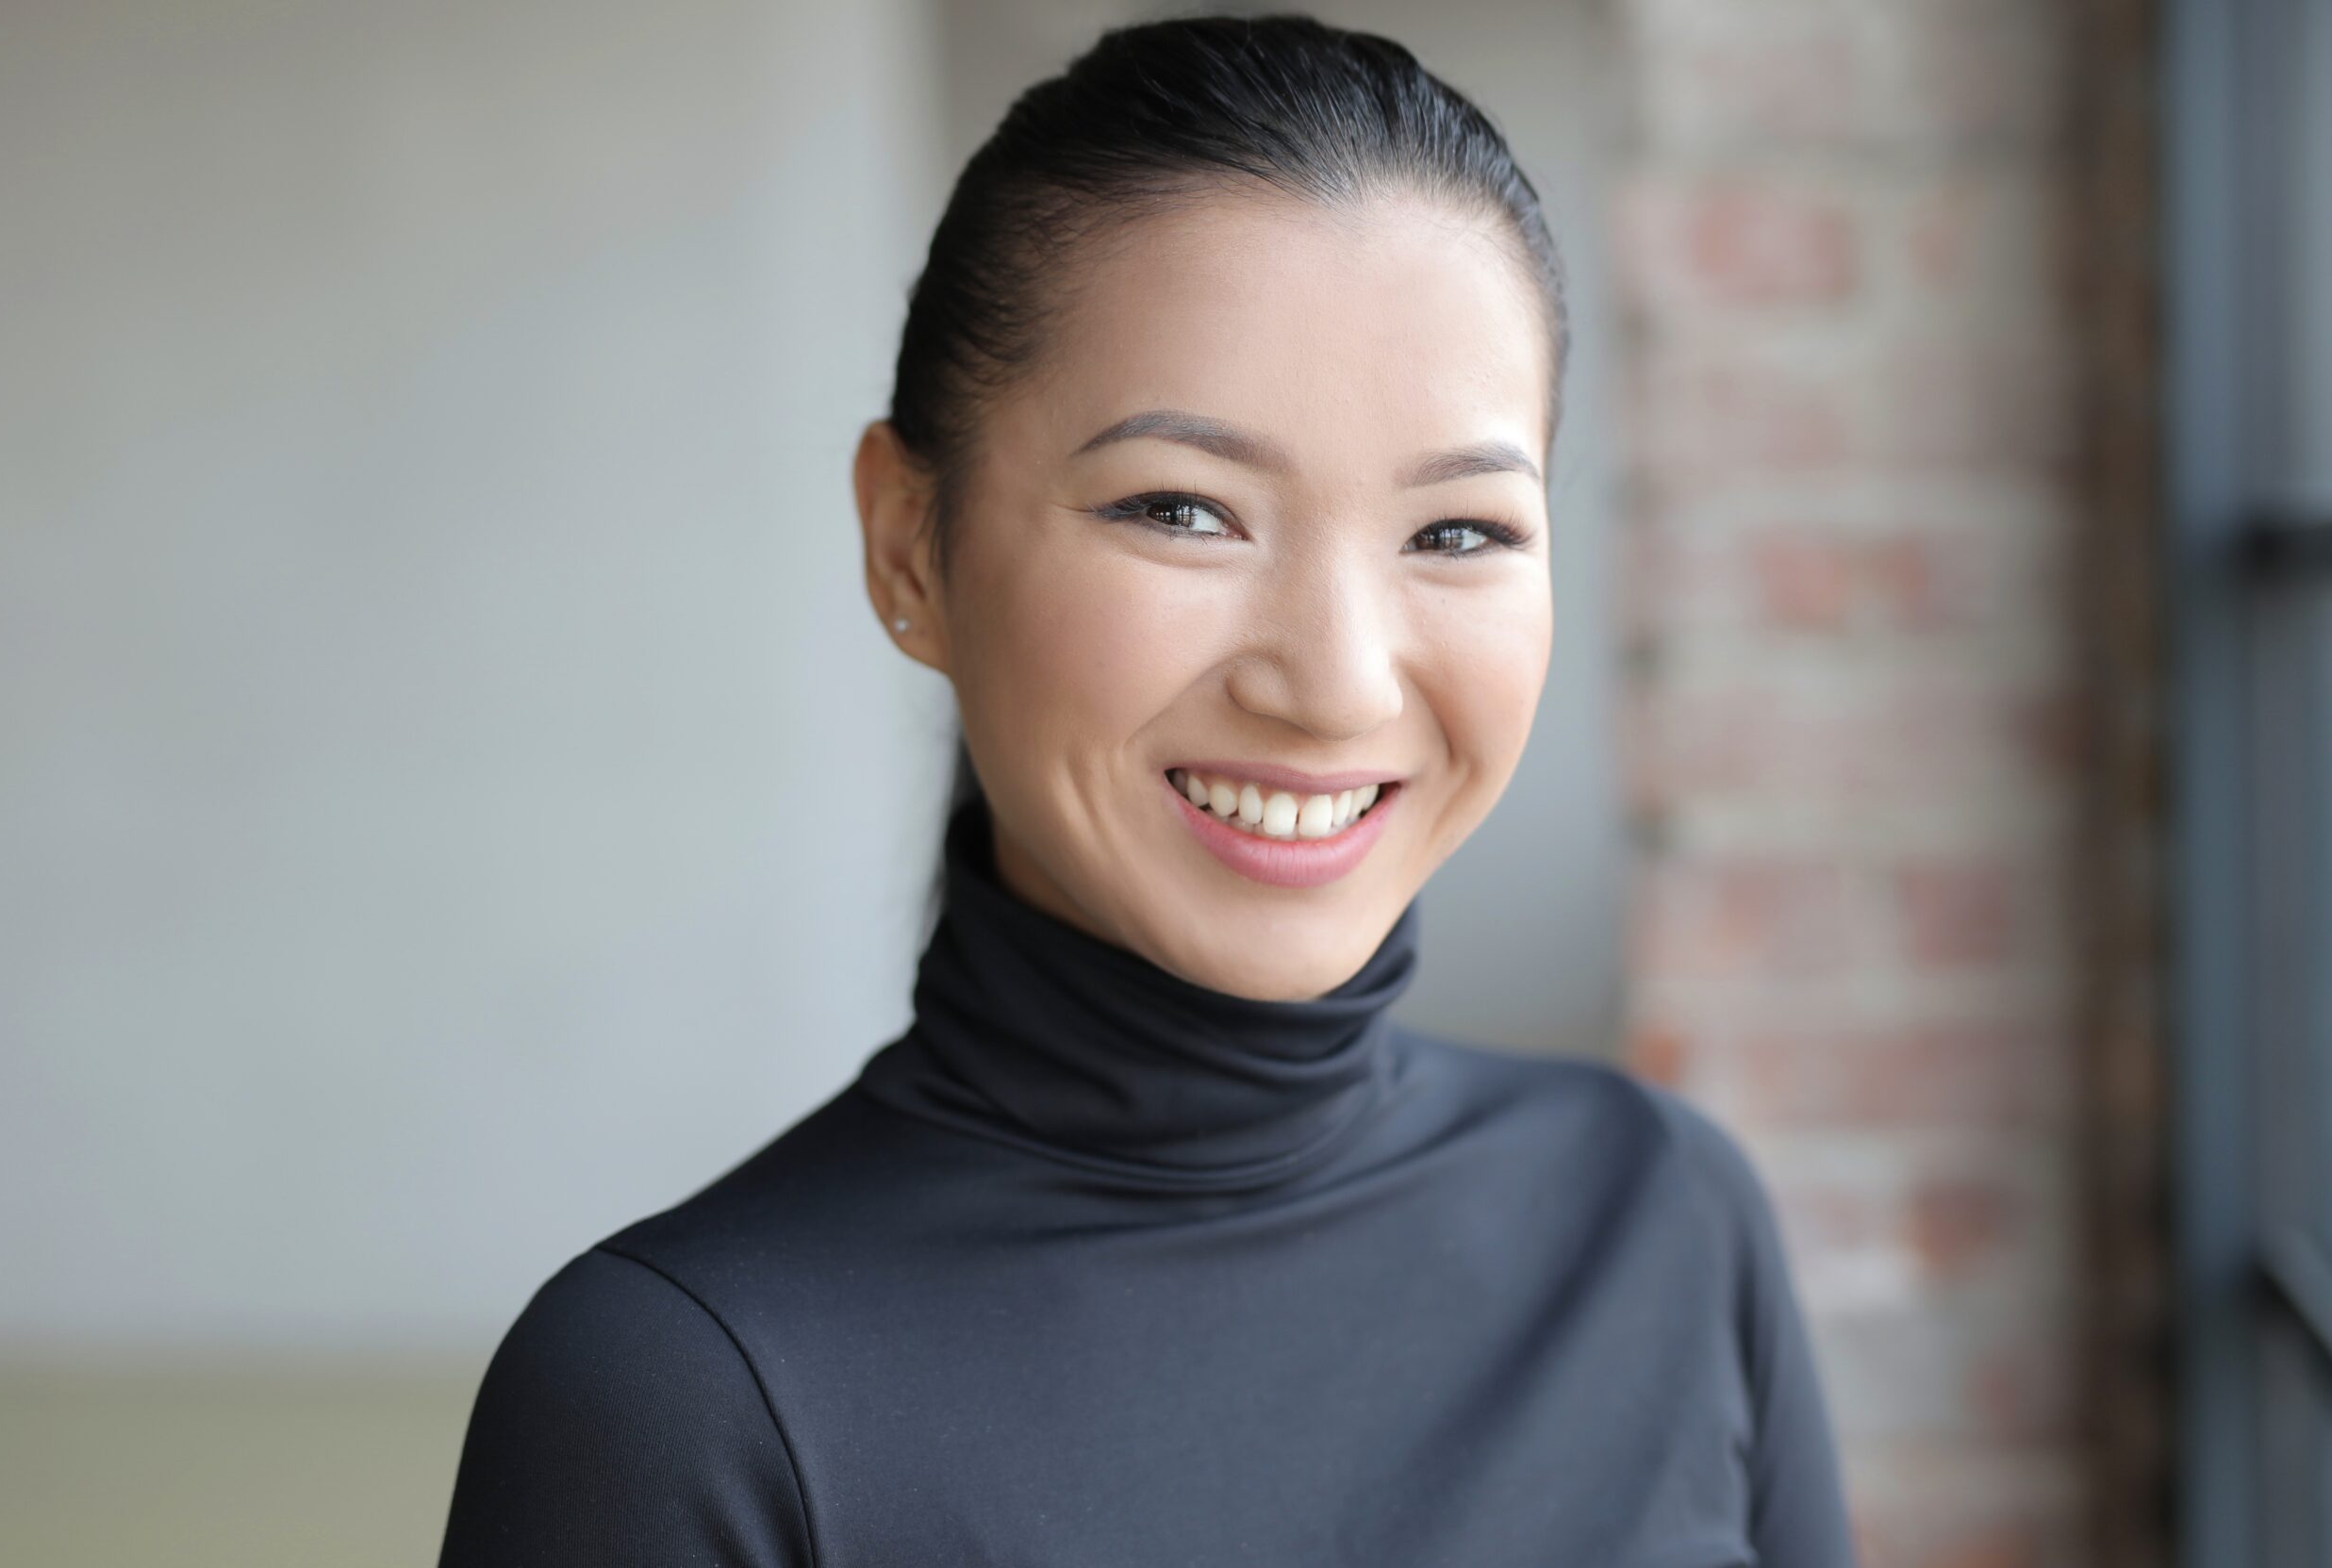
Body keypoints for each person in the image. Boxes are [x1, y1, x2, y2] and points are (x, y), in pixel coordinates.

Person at [436, 13, 1857, 1566]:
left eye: (1457, 531)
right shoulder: (683, 1397)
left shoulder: (1659, 1224)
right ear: (913, 548)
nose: (1338, 680)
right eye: (1184, 509)